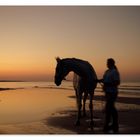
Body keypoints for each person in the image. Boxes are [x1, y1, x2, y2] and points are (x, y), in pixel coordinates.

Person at [99, 58, 120, 133]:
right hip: (107, 92)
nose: (106, 64)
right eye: (107, 63)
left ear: (111, 63)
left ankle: (107, 125)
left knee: (108, 108)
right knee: (111, 108)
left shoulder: (115, 72)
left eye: (108, 63)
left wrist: (107, 84)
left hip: (112, 92)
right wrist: (98, 80)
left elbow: (117, 82)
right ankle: (114, 124)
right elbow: (104, 79)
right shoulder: (107, 71)